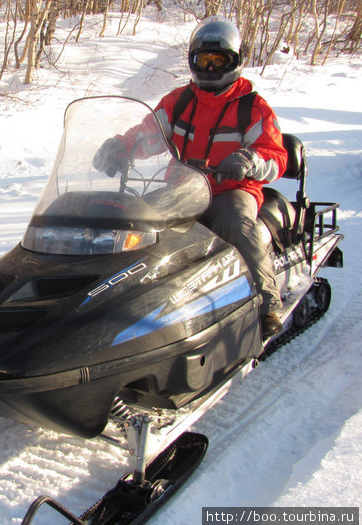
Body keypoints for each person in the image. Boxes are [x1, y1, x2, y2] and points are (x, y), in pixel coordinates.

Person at [93, 16, 286, 338]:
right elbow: (149, 134)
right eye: (203, 60)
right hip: (183, 186)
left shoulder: (252, 107)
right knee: (135, 223)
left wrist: (248, 158)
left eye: (218, 60)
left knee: (236, 226)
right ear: (192, 61)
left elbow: (275, 155)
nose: (210, 69)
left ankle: (267, 304)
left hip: (232, 189)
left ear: (235, 61)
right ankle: (118, 303)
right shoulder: (179, 101)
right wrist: (120, 147)